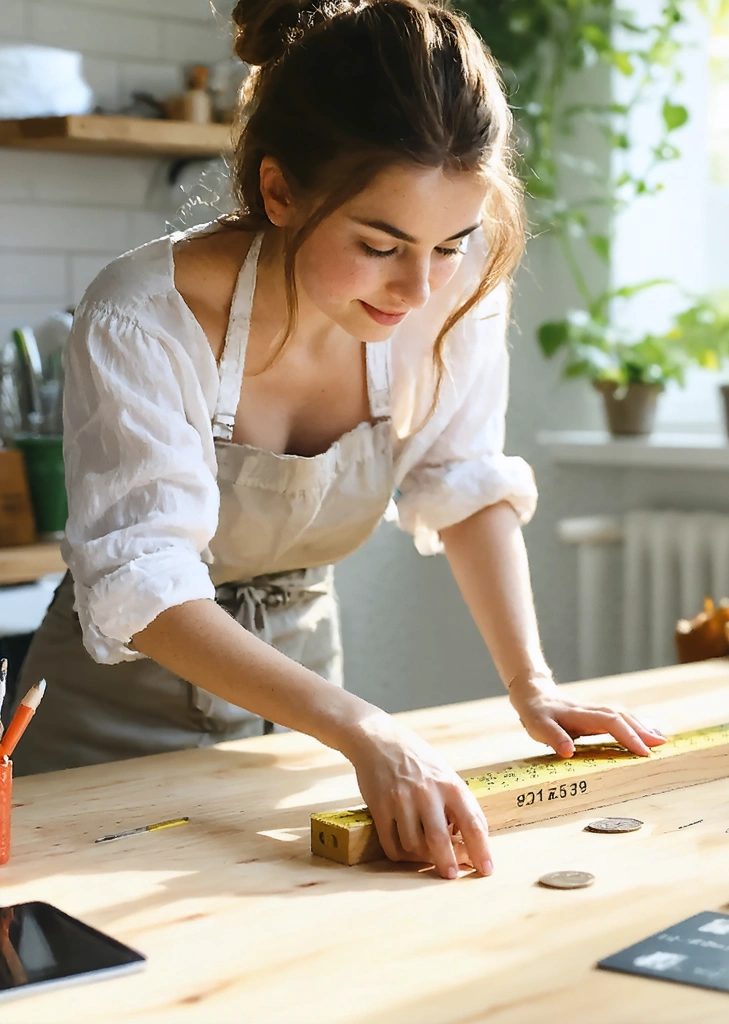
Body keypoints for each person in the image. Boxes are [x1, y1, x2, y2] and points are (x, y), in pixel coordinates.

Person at [13, 0, 665, 878]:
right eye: (380, 244)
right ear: (280, 191)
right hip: (105, 731)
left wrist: (532, 684)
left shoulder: (451, 292)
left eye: (451, 243)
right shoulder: (145, 314)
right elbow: (144, 581)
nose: (418, 284)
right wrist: (367, 724)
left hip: (301, 725)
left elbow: (461, 481)